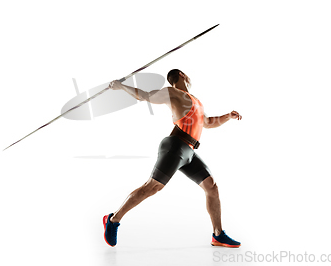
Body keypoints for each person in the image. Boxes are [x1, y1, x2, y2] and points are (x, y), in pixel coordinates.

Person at [103, 69, 242, 248]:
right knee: (152, 187)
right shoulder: (173, 93)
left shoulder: (195, 101)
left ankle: (218, 234)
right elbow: (145, 96)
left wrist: (228, 117)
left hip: (189, 152)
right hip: (175, 146)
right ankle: (113, 219)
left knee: (212, 187)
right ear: (182, 75)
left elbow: (208, 123)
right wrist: (121, 86)